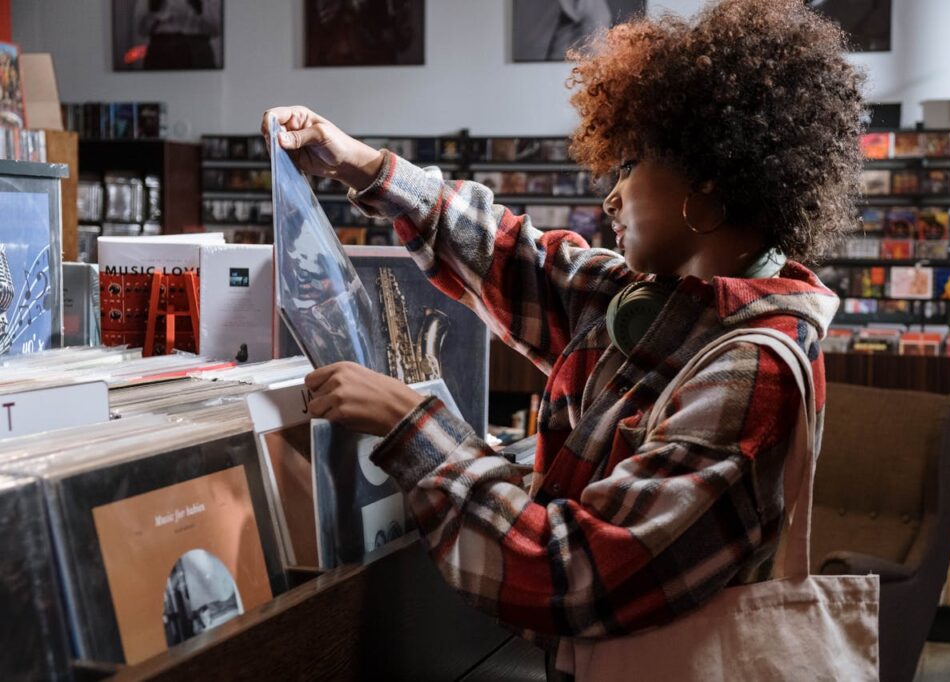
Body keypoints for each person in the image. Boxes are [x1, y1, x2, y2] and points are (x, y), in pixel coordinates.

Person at [264, 0, 867, 677]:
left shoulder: (754, 369)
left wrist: (412, 425)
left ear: (706, 186)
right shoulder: (654, 301)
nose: (610, 196)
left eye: (629, 165)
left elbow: (576, 577)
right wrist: (361, 164)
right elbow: (513, 259)